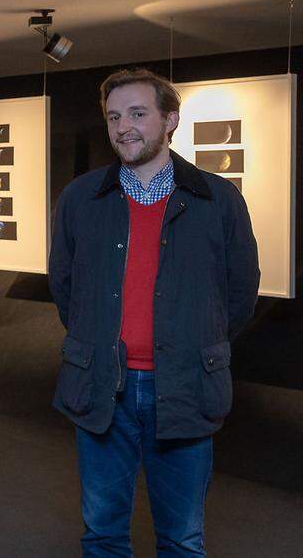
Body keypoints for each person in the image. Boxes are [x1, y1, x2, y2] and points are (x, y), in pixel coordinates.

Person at [49, 68, 259, 556]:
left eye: (138, 114)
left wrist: (193, 340)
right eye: (114, 116)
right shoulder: (81, 198)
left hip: (185, 385)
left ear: (170, 120)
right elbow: (65, 287)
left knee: (182, 537)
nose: (124, 126)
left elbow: (240, 292)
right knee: (102, 531)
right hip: (103, 385)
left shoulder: (218, 199)